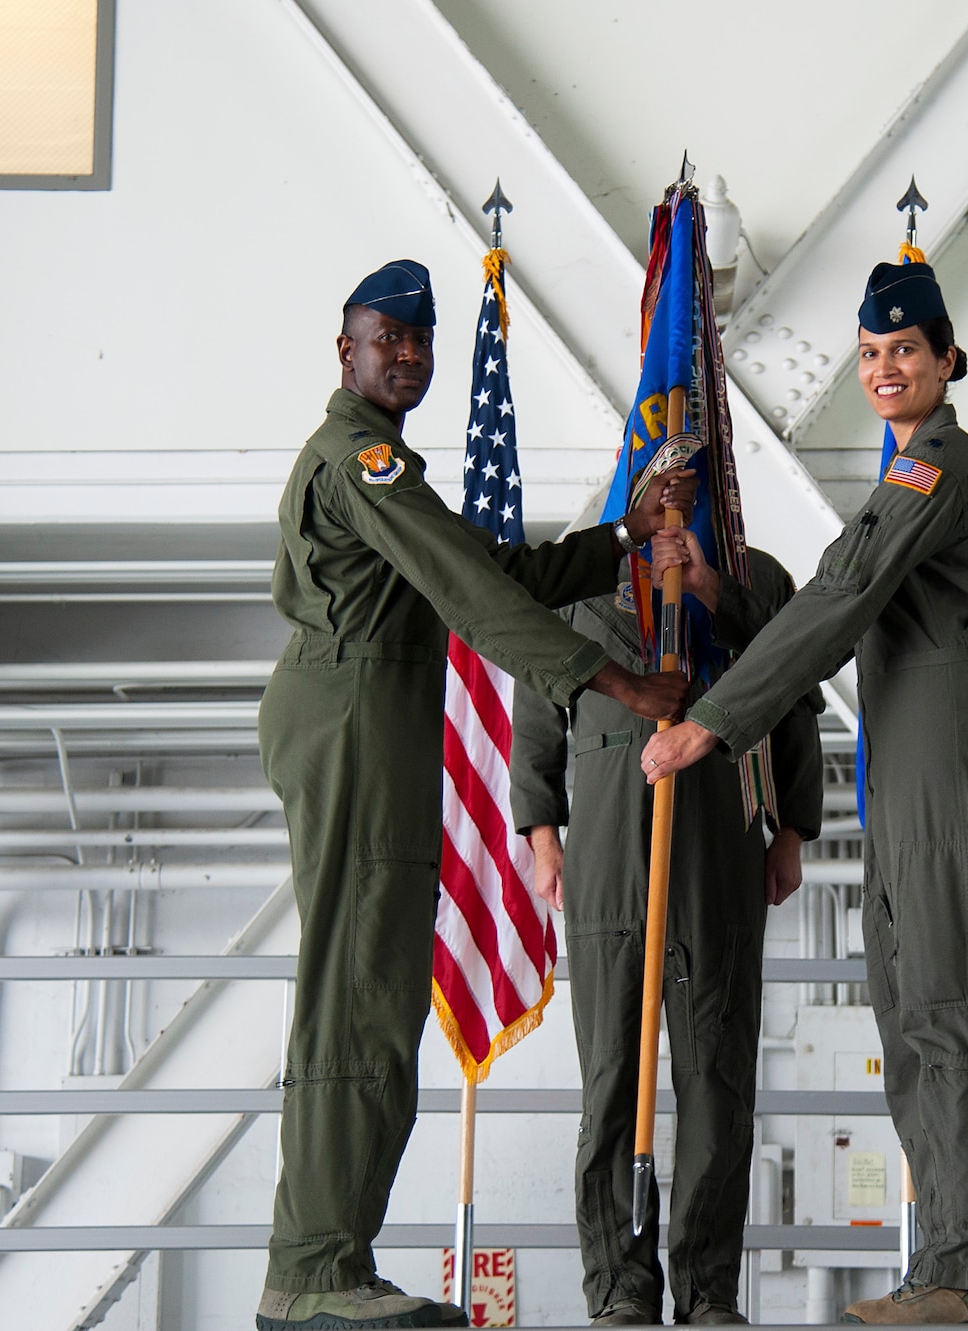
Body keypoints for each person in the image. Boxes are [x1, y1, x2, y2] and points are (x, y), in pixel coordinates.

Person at [256, 259, 697, 1331]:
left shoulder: (388, 465)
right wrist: (622, 682)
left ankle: (333, 1259)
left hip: (378, 721)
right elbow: (470, 595)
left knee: (378, 991)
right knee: (355, 994)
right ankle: (314, 1269)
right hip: (355, 721)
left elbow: (484, 567)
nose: (405, 355)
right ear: (345, 348)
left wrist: (623, 538)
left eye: (420, 341)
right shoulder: (356, 461)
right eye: (385, 338)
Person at [640, 261, 968, 1326]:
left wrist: (715, 724)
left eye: (903, 350)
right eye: (867, 354)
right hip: (908, 732)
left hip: (945, 729)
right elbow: (838, 592)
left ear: (946, 359)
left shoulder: (938, 465)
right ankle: (949, 1257)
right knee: (909, 1001)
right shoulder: (905, 472)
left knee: (955, 999)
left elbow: (843, 595)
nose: (884, 369)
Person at [510, 539, 824, 1327]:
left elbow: (795, 696)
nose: (676, 481)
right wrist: (544, 832)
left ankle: (709, 1288)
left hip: (719, 831)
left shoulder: (756, 581)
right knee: (612, 1076)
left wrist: (791, 829)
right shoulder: (581, 579)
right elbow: (538, 706)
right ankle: (620, 1285)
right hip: (611, 844)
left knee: (717, 1078)